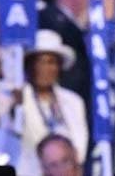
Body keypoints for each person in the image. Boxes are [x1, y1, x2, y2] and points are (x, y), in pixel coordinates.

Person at [15, 30, 88, 176]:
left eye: (51, 62)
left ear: (59, 67)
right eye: (39, 62)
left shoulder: (73, 101)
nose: (45, 68)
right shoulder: (19, 99)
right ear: (30, 66)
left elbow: (80, 147)